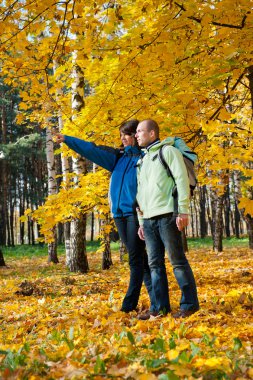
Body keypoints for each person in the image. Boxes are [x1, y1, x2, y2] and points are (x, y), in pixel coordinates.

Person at [53, 120, 155, 313]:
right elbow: (91, 150)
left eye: (126, 134)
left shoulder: (144, 158)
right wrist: (67, 139)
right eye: (121, 135)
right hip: (118, 214)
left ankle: (129, 306)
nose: (123, 138)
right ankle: (157, 302)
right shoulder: (118, 157)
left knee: (135, 259)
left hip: (135, 214)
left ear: (137, 135)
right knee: (140, 260)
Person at [135, 119, 199, 320]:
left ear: (152, 133)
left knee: (177, 262)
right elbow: (140, 193)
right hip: (149, 219)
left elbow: (181, 181)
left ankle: (189, 305)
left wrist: (183, 211)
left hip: (168, 215)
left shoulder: (168, 152)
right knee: (155, 265)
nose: (136, 135)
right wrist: (141, 221)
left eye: (140, 131)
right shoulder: (142, 160)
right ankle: (159, 308)